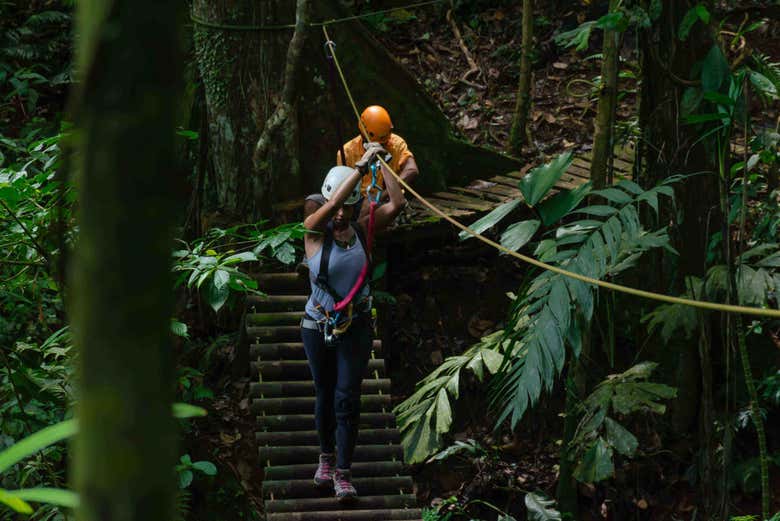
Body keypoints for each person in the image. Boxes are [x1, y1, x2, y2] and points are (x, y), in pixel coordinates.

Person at [301, 143, 405, 502]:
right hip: (317, 325)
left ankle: (343, 473)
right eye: (337, 207)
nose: (341, 214)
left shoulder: (362, 229)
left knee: (347, 396)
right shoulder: (314, 232)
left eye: (349, 207)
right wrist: (360, 167)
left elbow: (397, 203)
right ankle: (325, 458)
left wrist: (383, 162)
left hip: (356, 325)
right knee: (324, 392)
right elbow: (329, 207)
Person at [337, 105, 419, 216]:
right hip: (356, 200)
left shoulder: (396, 143)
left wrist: (383, 195)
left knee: (371, 207)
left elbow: (412, 170)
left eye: (384, 143)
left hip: (388, 199)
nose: (381, 146)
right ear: (363, 132)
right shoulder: (347, 151)